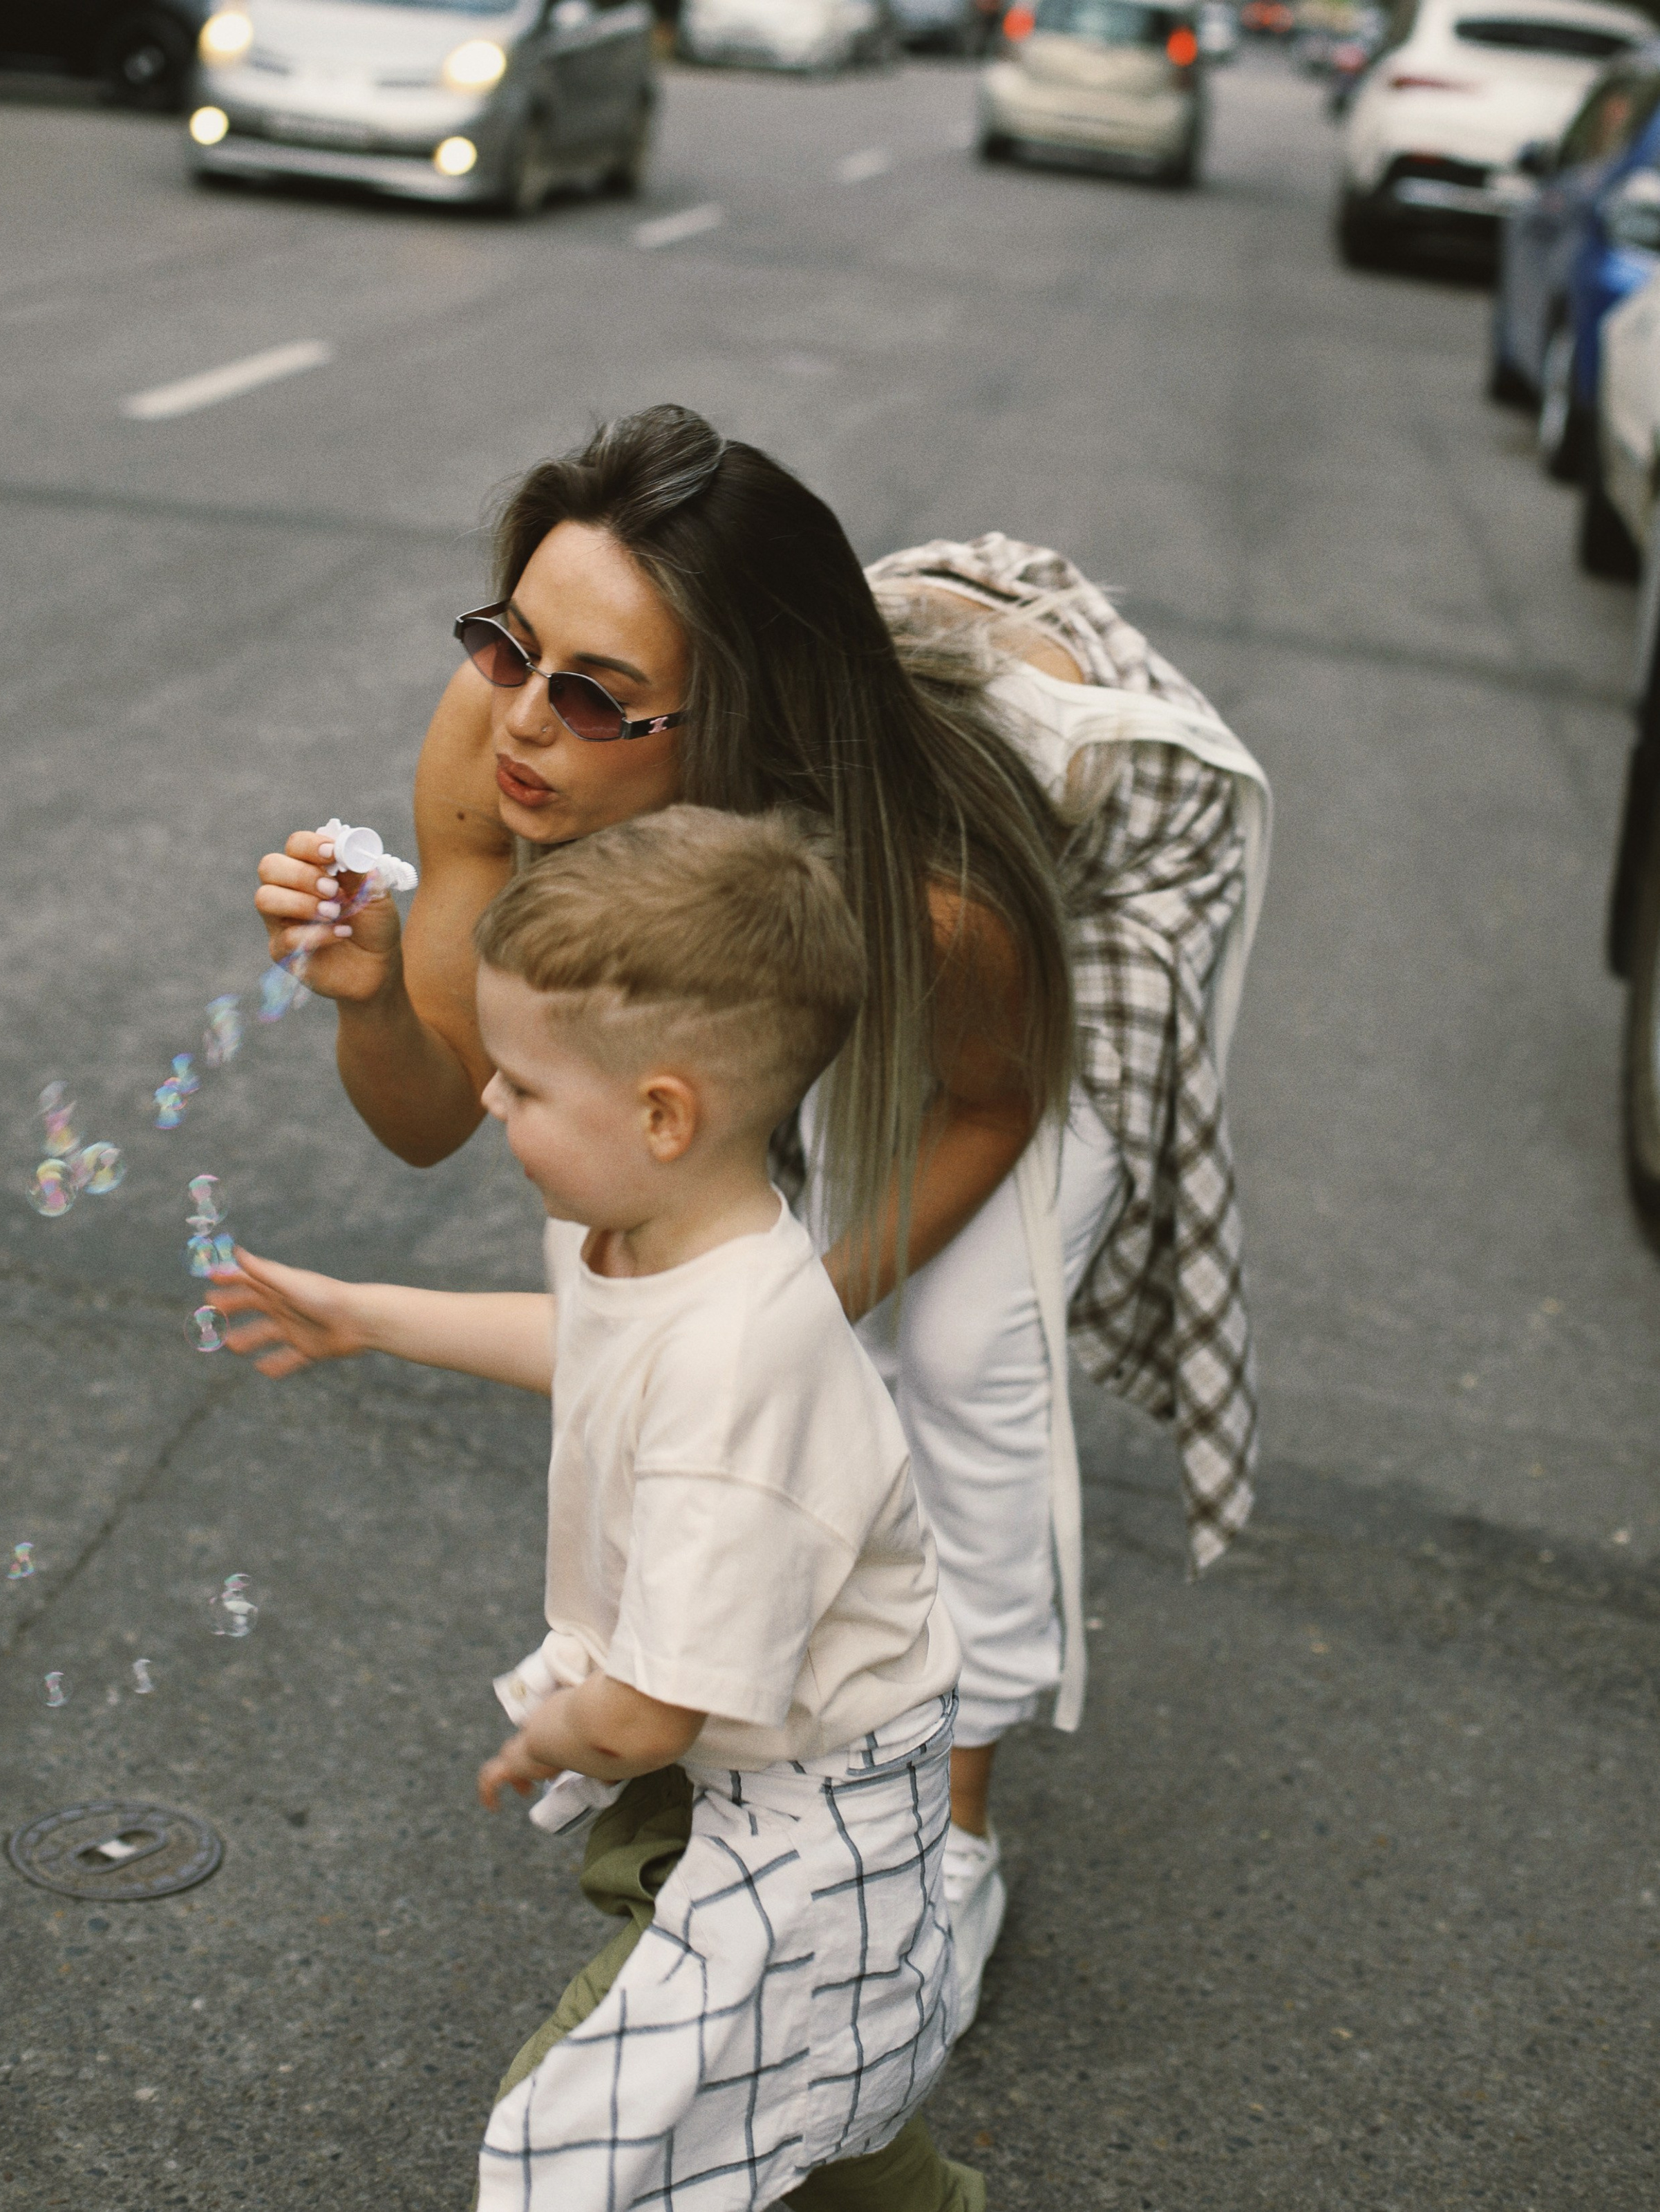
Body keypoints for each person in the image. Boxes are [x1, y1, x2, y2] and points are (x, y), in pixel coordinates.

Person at [254, 404, 1271, 2030]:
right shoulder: (495, 740)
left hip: (1104, 865)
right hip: (765, 860)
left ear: (722, 720)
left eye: (592, 694)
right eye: (508, 643)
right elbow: (440, 1111)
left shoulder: (922, 895)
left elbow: (986, 1099)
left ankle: (954, 1833)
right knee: (780, 1292)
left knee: (946, 1341)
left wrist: (804, 1307)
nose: (523, 719)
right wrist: (367, 1000)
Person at [216, 809, 980, 2212]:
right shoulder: (638, 1227)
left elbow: (645, 1714)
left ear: (661, 1112)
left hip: (802, 1808)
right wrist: (367, 1317)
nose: (489, 1106)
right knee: (814, 2085)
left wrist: (547, 1735)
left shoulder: (742, 1374)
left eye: (517, 1084)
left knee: (572, 2133)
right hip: (731, 1749)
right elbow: (590, 1343)